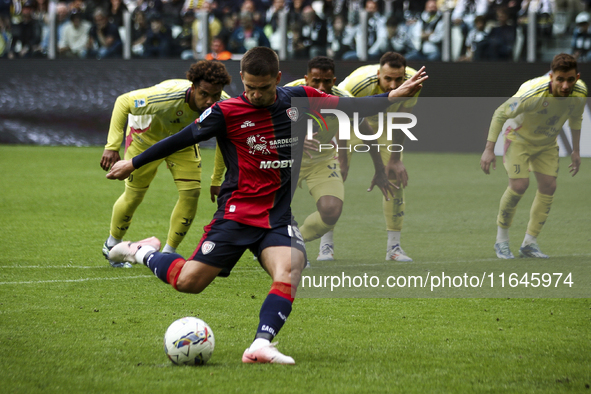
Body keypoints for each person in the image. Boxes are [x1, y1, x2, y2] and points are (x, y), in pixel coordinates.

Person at [105, 46, 428, 364]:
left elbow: (352, 106)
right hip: (237, 215)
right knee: (188, 283)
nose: (256, 95)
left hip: (276, 216)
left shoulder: (299, 97)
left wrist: (391, 97)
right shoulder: (225, 111)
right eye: (249, 88)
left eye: (264, 88)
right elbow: (182, 137)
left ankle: (261, 344)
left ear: (277, 78)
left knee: (290, 268)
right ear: (241, 79)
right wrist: (133, 162)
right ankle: (141, 250)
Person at [100, 60, 232, 268]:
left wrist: (216, 179)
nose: (210, 101)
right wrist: (112, 146)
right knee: (134, 195)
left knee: (191, 193)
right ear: (193, 88)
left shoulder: (224, 106)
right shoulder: (164, 98)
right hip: (145, 138)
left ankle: (169, 253)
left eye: (215, 95)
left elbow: (225, 142)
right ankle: (112, 244)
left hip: (182, 143)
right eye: (204, 94)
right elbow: (123, 102)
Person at [284, 56, 395, 262]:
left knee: (331, 211)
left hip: (322, 159)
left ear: (334, 80)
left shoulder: (341, 98)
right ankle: (279, 245)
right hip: (287, 159)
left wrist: (379, 169)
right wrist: (295, 138)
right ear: (306, 78)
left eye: (327, 81)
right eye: (315, 81)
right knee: (273, 210)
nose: (321, 86)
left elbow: (365, 130)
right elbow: (266, 127)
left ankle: (292, 242)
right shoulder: (287, 94)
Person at [480, 53, 587, 259]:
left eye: (570, 79)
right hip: (518, 138)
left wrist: (575, 150)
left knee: (549, 186)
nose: (565, 85)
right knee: (519, 185)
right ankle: (501, 241)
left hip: (546, 143)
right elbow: (500, 113)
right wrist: (489, 149)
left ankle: (530, 243)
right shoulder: (532, 93)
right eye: (560, 80)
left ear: (577, 76)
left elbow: (576, 118)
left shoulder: (580, 93)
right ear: (551, 77)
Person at [338, 52, 423, 262]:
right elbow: (341, 116)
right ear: (378, 74)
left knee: (394, 176)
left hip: (384, 124)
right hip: (350, 123)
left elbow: (401, 118)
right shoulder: (357, 84)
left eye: (398, 79)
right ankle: (326, 247)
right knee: (335, 175)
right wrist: (341, 158)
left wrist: (395, 159)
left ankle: (393, 249)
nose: (394, 85)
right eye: (388, 79)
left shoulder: (412, 82)